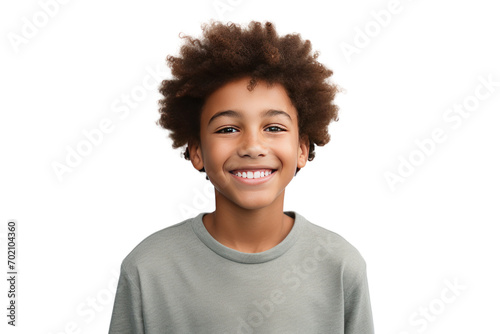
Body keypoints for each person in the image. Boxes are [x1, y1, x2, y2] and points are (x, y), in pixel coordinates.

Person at [109, 21, 374, 334]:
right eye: (228, 129)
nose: (252, 146)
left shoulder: (340, 265)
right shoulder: (147, 269)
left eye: (273, 128)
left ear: (302, 148)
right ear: (197, 151)